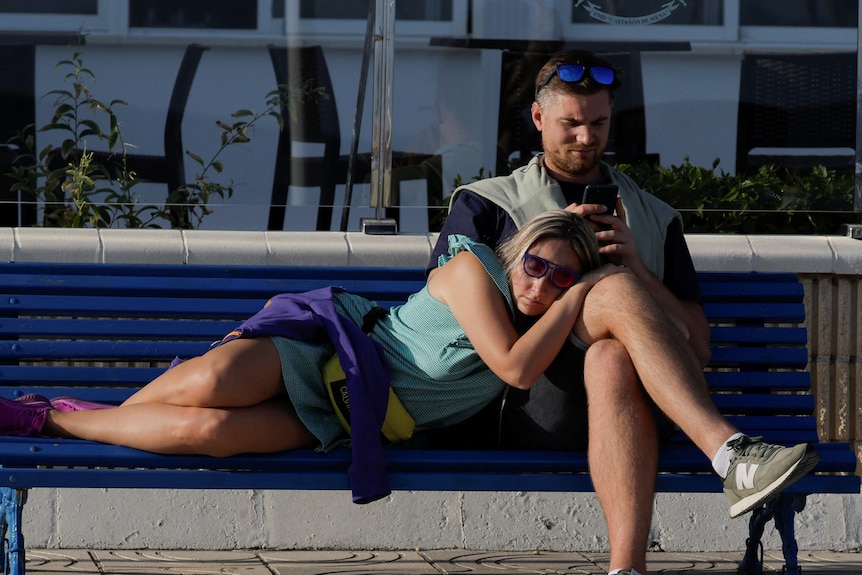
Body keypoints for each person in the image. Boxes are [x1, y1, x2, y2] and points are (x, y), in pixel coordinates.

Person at [427, 50, 820, 575]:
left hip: (639, 404)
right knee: (606, 291)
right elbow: (441, 308)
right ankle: (729, 453)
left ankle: (626, 570)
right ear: (539, 119)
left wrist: (636, 264)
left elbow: (698, 346)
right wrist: (554, 260)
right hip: (526, 401)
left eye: (598, 123)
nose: (586, 138)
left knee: (610, 355)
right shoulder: (485, 204)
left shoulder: (654, 218)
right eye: (570, 124)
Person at [0, 210, 610, 503]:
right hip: (331, 352)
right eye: (537, 265)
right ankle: (53, 418)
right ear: (516, 254)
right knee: (211, 381)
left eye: (561, 279)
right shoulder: (475, 266)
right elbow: (514, 367)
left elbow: (535, 360)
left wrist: (590, 287)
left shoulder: (544, 329)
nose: (542, 284)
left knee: (207, 429)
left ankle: (54, 416)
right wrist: (580, 290)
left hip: (351, 417)